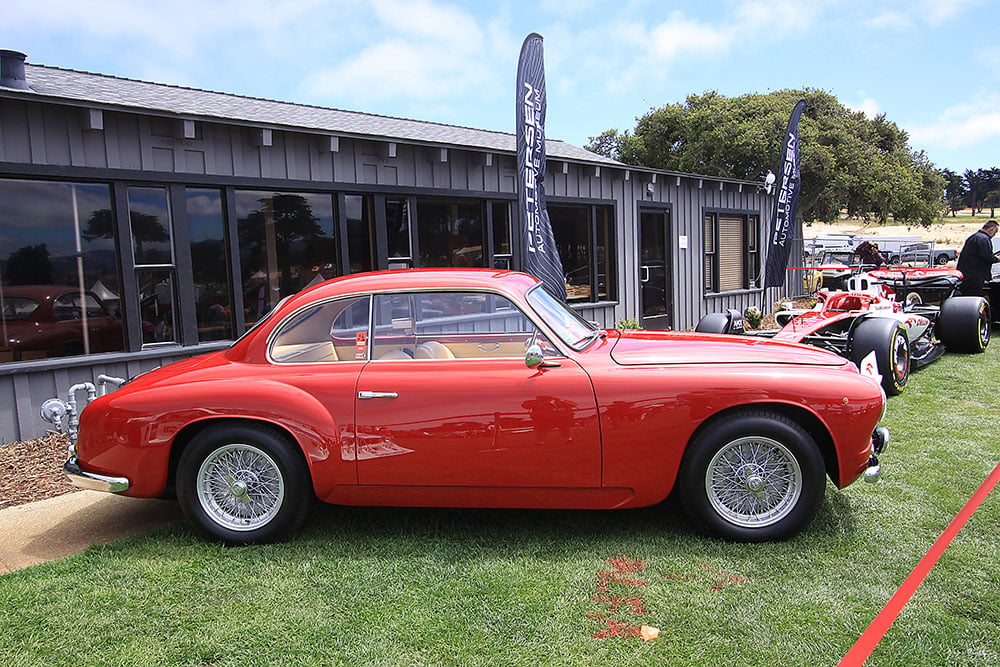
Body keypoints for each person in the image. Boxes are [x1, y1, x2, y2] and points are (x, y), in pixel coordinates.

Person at [956, 220, 1000, 296]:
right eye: (995, 232)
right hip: (975, 277)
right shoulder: (983, 239)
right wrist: (997, 259)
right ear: (991, 229)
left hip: (967, 274)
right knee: (974, 296)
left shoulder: (974, 237)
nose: (994, 235)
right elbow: (987, 257)